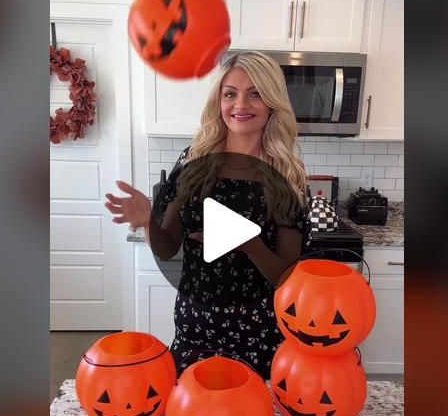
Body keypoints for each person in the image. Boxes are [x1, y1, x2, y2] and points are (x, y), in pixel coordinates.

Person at [105, 51, 308, 379]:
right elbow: (168, 246)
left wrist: (246, 242)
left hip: (259, 333)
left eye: (254, 93)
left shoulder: (286, 174)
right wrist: (148, 222)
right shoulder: (193, 159)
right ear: (219, 101)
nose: (240, 105)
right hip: (195, 329)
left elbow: (287, 275)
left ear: (272, 102)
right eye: (230, 94)